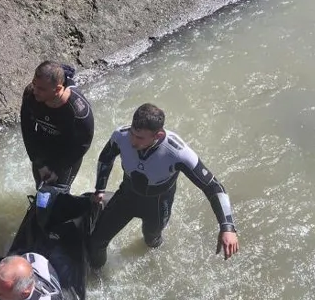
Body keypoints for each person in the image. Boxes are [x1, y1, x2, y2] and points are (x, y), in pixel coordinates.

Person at [87, 103, 240, 268]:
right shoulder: (121, 136)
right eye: (132, 133)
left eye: (140, 138)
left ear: (158, 136)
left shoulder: (177, 153)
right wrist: (99, 189)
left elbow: (214, 187)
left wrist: (227, 227)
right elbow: (105, 158)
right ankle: (96, 275)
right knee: (96, 242)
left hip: (157, 206)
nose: (132, 141)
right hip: (127, 197)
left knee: (151, 242)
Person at [20, 60, 95, 189]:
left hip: (68, 155)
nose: (35, 91)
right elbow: (27, 131)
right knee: (41, 191)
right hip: (43, 148)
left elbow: (82, 145)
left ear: (58, 89)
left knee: (58, 195)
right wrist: (39, 164)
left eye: (41, 89)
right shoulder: (31, 96)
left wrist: (60, 169)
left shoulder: (79, 112)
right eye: (34, 84)